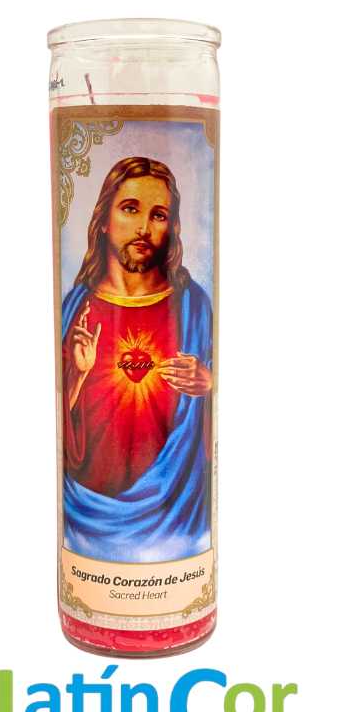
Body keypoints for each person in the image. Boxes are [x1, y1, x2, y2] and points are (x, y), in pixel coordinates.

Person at [61, 156, 213, 562]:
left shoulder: (193, 308)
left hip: (176, 519)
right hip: (86, 522)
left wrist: (209, 383)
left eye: (158, 215)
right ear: (104, 219)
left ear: (171, 226)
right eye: (130, 208)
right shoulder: (75, 309)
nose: (144, 227)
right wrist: (76, 376)